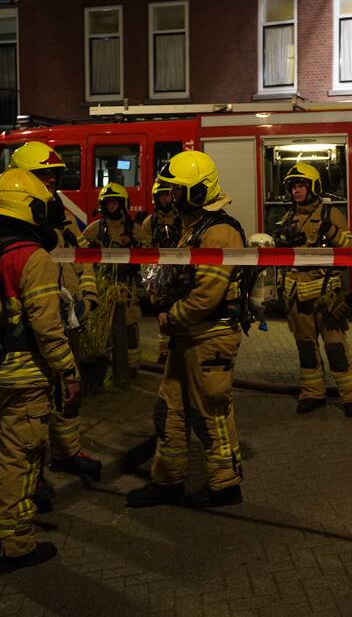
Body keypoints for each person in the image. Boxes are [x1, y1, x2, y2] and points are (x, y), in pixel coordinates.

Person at [126, 151, 245, 509]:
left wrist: (171, 316)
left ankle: (225, 486)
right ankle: (167, 481)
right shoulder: (196, 227)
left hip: (210, 335)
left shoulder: (220, 231)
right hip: (189, 335)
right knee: (170, 410)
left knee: (211, 413)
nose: (173, 197)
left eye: (179, 190)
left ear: (199, 190)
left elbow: (207, 295)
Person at [0, 168, 80, 573]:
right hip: (25, 377)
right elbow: (47, 327)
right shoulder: (32, 258)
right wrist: (68, 372)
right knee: (21, 459)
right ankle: (14, 544)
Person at [8, 142, 102, 484]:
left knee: (68, 388)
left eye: (53, 175)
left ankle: (66, 452)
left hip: (68, 318)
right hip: (35, 323)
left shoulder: (61, 215)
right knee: (35, 401)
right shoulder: (13, 221)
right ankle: (32, 474)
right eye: (41, 174)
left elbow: (82, 256)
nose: (50, 181)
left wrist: (88, 296)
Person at [272, 162, 352, 418]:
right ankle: (312, 394)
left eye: (301, 185)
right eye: (293, 186)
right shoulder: (287, 218)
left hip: (326, 297)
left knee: (336, 349)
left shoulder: (330, 214)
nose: (296, 190)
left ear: (313, 187)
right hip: (296, 298)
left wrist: (331, 231)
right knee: (306, 350)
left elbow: (350, 248)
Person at [82, 183, 142, 370]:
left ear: (123, 204)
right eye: (108, 203)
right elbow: (80, 255)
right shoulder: (93, 230)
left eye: (115, 202)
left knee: (129, 327)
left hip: (127, 288)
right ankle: (107, 367)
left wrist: (134, 245)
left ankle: (131, 368)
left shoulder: (135, 229)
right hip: (104, 287)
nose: (112, 206)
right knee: (104, 326)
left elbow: (149, 254)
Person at [138, 180, 182, 364]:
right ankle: (164, 352)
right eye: (161, 196)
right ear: (156, 199)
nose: (165, 199)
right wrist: (150, 280)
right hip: (159, 273)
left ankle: (179, 351)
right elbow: (145, 250)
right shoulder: (150, 222)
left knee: (180, 311)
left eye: (167, 195)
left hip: (180, 270)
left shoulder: (181, 218)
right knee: (162, 314)